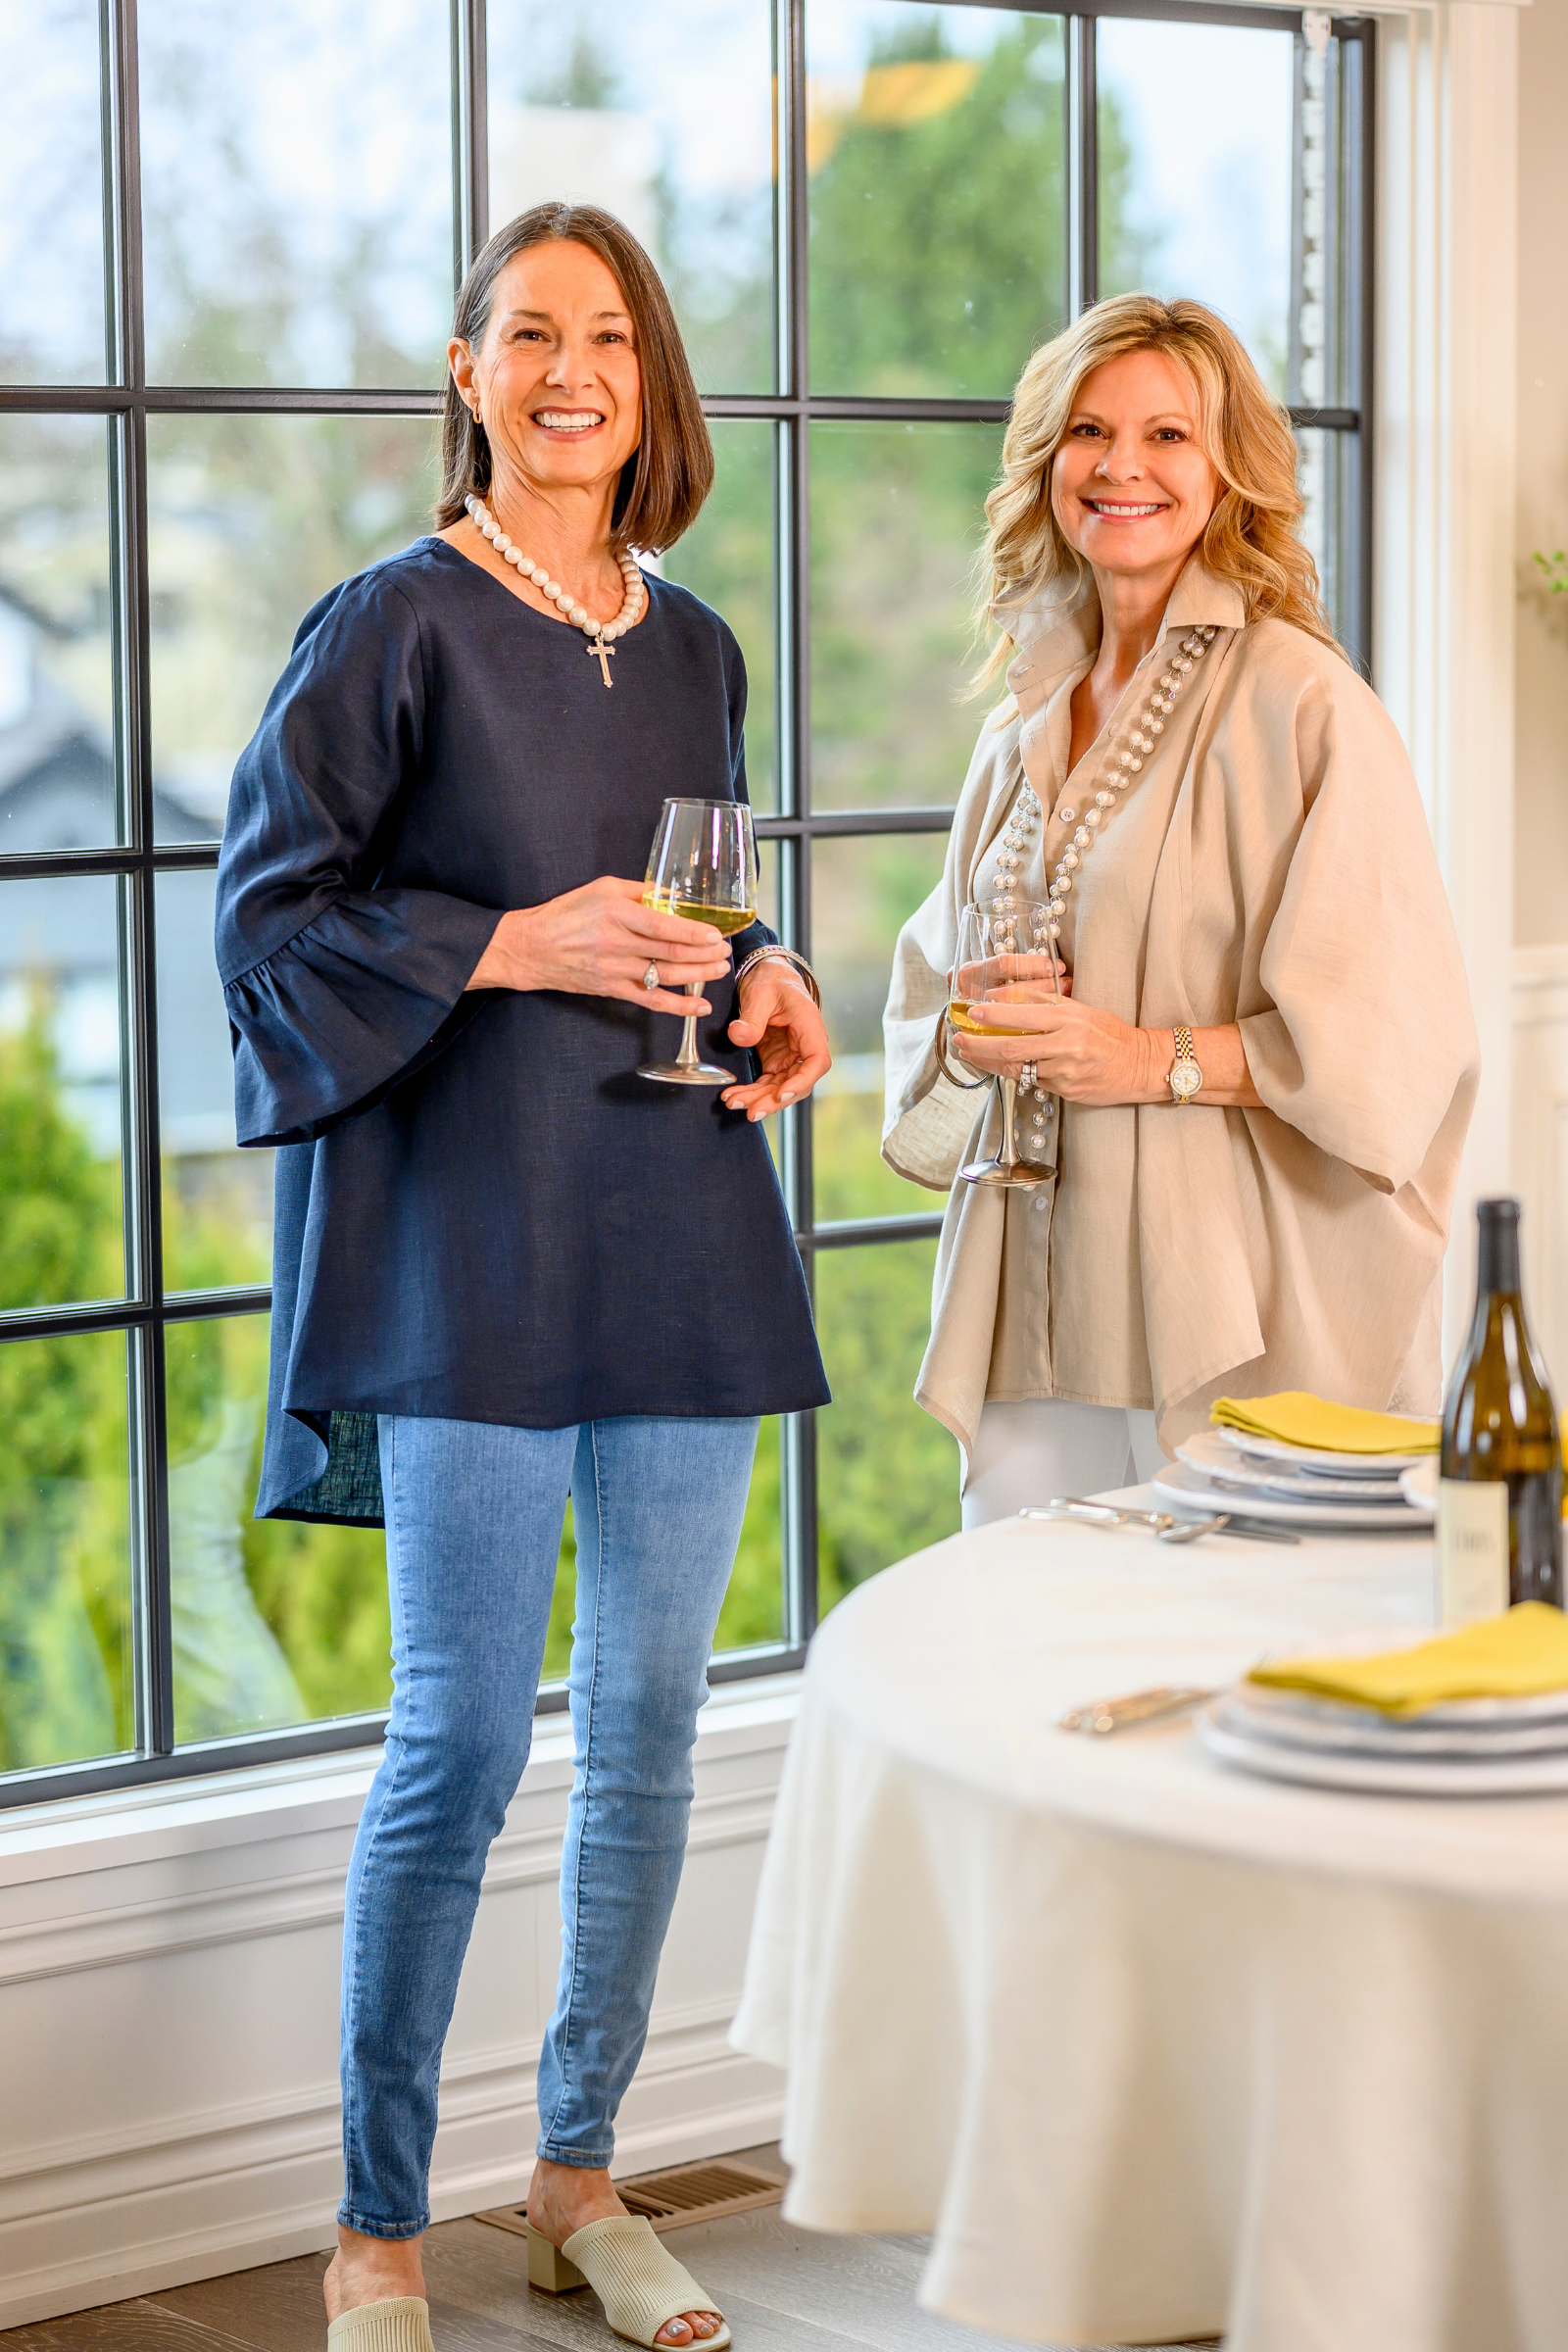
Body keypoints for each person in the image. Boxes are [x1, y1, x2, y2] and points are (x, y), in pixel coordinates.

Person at [215, 202, 832, 2352]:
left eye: (613, 340)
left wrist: (771, 980)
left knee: (650, 1732)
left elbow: (698, 907)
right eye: (532, 337)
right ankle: (377, 2232)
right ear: (468, 373)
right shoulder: (387, 624)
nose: (575, 374)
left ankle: (578, 2178)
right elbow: (267, 936)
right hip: (466, 1251)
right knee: (460, 1740)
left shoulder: (695, 646)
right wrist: (503, 940)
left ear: (650, 388)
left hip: (677, 1227)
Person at [881, 294, 1478, 1527]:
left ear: (1226, 472)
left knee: (1216, 1631)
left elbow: (1391, 1045)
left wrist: (1144, 1058)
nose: (1121, 467)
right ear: (1047, 463)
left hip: (1227, 1311)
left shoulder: (1305, 706)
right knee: (1030, 1631)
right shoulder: (1019, 721)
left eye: (1167, 436)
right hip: (1033, 1299)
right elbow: (933, 991)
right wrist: (968, 1024)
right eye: (1088, 432)